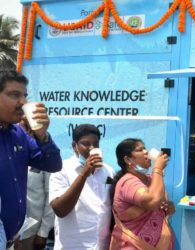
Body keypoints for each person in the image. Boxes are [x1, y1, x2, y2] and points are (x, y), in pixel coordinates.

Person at [0, 70, 62, 249]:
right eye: (14, 95)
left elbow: (52, 165)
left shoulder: (18, 133)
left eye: (24, 96)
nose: (23, 102)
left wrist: (42, 136)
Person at [49, 124, 115, 250]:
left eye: (96, 144)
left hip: (102, 245)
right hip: (73, 245)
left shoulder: (109, 171)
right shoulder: (62, 169)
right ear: (75, 146)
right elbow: (60, 210)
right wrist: (84, 174)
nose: (92, 148)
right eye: (86, 144)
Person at [110, 138, 175, 250]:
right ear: (128, 159)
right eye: (140, 150)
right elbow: (152, 201)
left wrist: (169, 208)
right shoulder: (128, 182)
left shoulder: (150, 180)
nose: (146, 152)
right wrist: (158, 168)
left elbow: (160, 203)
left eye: (145, 148)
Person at [19, 167, 55, 250]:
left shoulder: (45, 159)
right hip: (7, 231)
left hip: (31, 233)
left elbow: (51, 195)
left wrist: (43, 232)